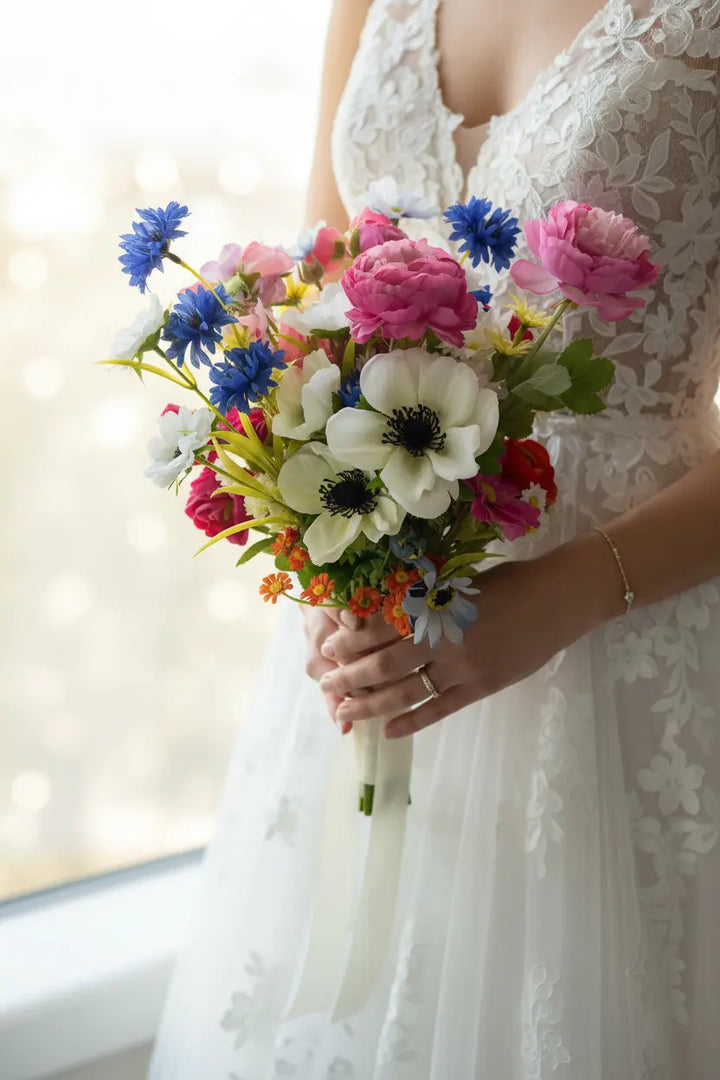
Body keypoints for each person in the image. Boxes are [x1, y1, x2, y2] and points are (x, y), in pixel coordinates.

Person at [148, 1, 720, 1076]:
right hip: (375, 612)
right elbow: (313, 296)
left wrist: (567, 595)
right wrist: (314, 542)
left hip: (640, 635)